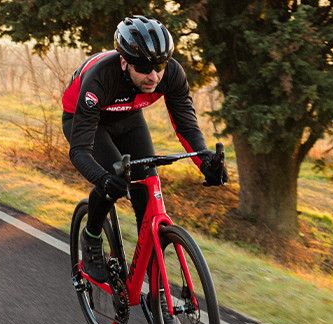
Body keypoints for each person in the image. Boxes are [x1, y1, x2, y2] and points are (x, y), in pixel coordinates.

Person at [62, 16, 227, 306]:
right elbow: (79, 151)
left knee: (147, 189)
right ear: (124, 62)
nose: (153, 76)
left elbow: (187, 127)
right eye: (144, 68)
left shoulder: (171, 74)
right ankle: (91, 237)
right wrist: (102, 178)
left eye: (159, 66)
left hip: (128, 118)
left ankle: (156, 289)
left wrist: (206, 163)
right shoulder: (101, 78)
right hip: (86, 120)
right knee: (115, 181)